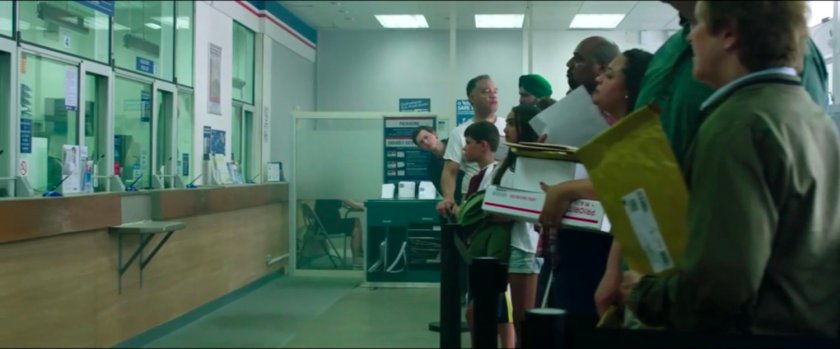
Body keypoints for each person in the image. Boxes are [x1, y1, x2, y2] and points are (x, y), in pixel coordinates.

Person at [590, 0, 832, 324]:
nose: (692, 38)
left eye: (700, 26)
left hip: (746, 329)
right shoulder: (811, 118)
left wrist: (645, 293)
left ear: (729, 34)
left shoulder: (736, 126)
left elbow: (723, 284)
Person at [536, 49, 654, 324]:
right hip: (575, 253)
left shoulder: (643, 134)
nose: (600, 80)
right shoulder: (613, 132)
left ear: (629, 89)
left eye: (609, 75)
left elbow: (631, 183)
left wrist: (568, 189)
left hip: (601, 257)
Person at [456, 121, 516, 349]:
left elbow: (498, 210)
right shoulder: (475, 177)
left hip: (495, 252)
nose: (464, 149)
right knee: (475, 311)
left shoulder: (499, 173)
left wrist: (478, 214)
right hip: (479, 252)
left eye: (468, 144)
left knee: (502, 310)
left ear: (483, 145)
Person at [489, 104, 544, 346]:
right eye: (507, 122)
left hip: (525, 246)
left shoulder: (537, 162)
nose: (506, 128)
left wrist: (510, 210)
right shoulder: (507, 162)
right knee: (508, 314)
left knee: (523, 317)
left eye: (512, 123)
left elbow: (538, 209)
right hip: (504, 245)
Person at [437, 75, 507, 218]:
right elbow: (450, 171)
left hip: (503, 197)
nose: (493, 95)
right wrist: (449, 198)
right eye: (486, 91)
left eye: (495, 91)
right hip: (472, 198)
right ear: (472, 98)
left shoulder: (508, 127)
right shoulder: (459, 132)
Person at [411, 125, 463, 202]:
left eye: (426, 137)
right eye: (421, 142)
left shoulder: (455, 143)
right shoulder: (432, 167)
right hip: (460, 198)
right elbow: (443, 190)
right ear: (421, 147)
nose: (425, 142)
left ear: (435, 134)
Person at [313, 199, 365, 267]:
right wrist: (369, 205)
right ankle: (357, 258)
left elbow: (334, 204)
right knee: (356, 222)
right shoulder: (334, 192)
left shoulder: (325, 194)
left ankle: (359, 255)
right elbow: (355, 205)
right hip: (328, 227)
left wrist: (345, 204)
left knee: (356, 225)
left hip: (321, 226)